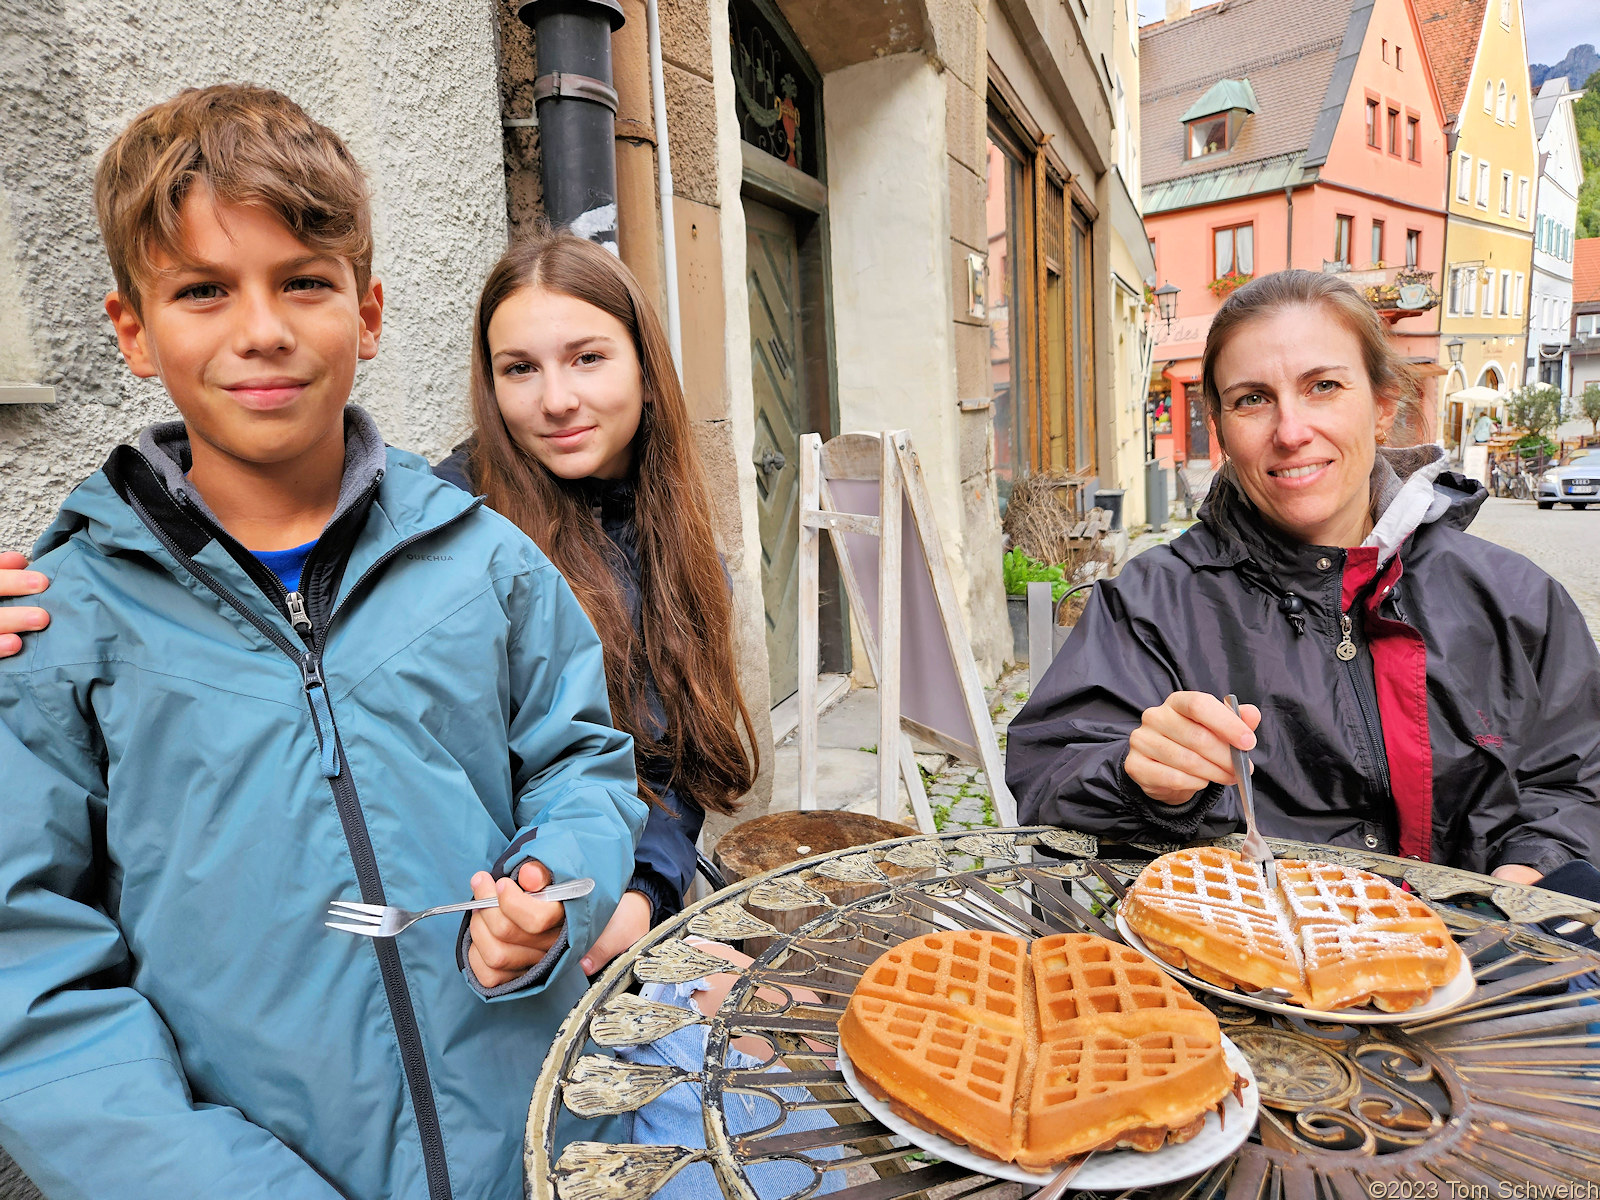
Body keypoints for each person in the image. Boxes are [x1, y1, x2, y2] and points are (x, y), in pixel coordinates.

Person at [0, 85, 645, 1199]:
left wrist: (556, 887)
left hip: (530, 1150)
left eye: (304, 282)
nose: (262, 329)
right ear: (134, 332)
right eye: (202, 290)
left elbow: (583, 762)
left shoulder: (485, 563)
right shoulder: (58, 625)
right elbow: (30, 975)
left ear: (371, 311)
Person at [1007, 269, 1600, 883]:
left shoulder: (1516, 598)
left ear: (1382, 406)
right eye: (1252, 399)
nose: (1291, 432)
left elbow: (1575, 777)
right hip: (1239, 969)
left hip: (1486, 963)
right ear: (1221, 428)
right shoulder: (1151, 603)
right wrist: (1142, 780)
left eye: (1323, 386)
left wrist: (1525, 885)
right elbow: (1050, 772)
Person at [440, 229, 759, 974]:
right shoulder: (451, 535)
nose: (557, 400)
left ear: (646, 371)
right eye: (520, 368)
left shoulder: (677, 538)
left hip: (623, 917)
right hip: (489, 937)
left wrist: (646, 893)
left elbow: (675, 769)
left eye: (587, 358)